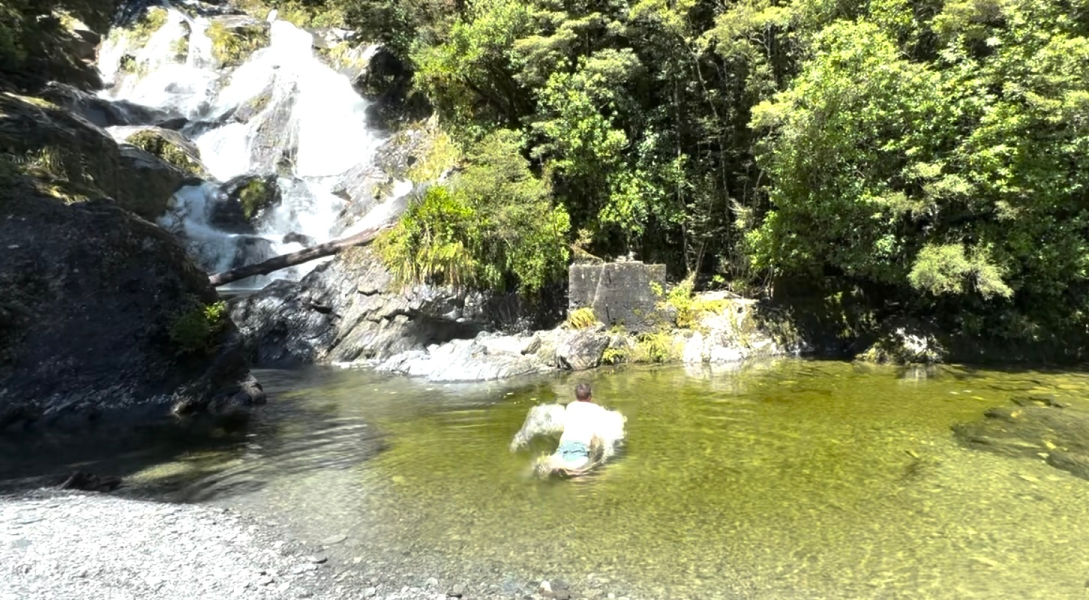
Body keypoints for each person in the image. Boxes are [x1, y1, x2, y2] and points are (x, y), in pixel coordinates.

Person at [540, 383, 610, 473]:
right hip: (580, 447)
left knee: (552, 466)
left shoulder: (571, 406)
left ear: (576, 396)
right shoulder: (596, 409)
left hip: (563, 445)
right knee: (579, 477)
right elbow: (599, 433)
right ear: (590, 397)